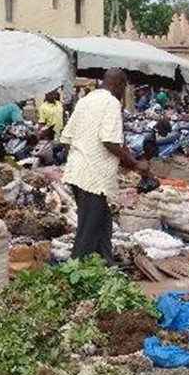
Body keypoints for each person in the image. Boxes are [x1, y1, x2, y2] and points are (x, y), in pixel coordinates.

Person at [62, 68, 148, 263]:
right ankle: (72, 274)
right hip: (93, 178)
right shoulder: (111, 103)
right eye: (123, 87)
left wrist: (80, 158)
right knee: (88, 232)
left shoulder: (85, 101)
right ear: (119, 84)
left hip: (78, 173)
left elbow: (66, 137)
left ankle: (106, 267)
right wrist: (134, 164)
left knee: (103, 225)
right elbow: (109, 141)